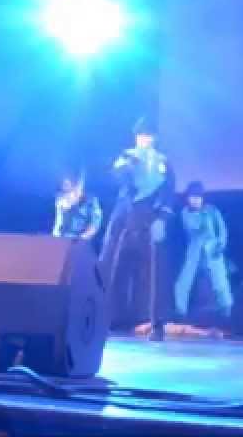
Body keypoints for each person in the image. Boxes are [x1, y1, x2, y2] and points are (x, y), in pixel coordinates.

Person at [99, 118, 176, 341]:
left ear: (155, 138)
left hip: (149, 213)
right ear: (136, 137)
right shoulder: (127, 156)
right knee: (111, 263)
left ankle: (157, 323)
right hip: (125, 214)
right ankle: (103, 317)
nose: (146, 139)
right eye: (142, 135)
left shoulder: (163, 161)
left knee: (155, 270)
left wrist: (162, 217)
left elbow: (168, 191)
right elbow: (116, 177)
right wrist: (126, 167)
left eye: (149, 135)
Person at [173, 181, 233, 333]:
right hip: (195, 252)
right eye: (192, 197)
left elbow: (222, 229)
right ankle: (180, 312)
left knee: (220, 284)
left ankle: (227, 314)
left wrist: (220, 244)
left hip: (213, 252)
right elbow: (194, 228)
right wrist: (202, 217)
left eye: (198, 197)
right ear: (187, 198)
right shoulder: (185, 213)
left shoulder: (212, 211)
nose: (195, 200)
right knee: (183, 283)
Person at [52, 175, 102, 241]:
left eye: (67, 185)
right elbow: (58, 224)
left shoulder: (91, 201)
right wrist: (55, 238)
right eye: (64, 186)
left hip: (81, 240)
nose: (66, 190)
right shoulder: (60, 199)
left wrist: (81, 239)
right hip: (63, 239)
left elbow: (94, 225)